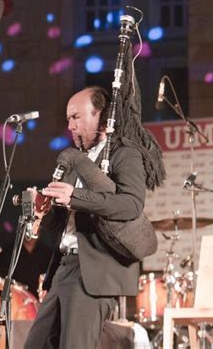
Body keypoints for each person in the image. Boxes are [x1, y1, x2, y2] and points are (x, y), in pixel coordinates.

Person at [24, 84, 165, 349]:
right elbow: (61, 222)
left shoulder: (124, 154)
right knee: (36, 344)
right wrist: (44, 210)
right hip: (63, 267)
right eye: (68, 119)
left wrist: (74, 197)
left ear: (100, 115)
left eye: (76, 117)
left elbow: (130, 205)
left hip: (95, 270)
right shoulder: (74, 160)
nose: (70, 126)